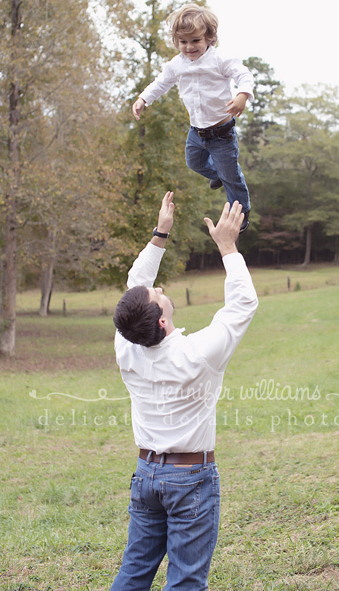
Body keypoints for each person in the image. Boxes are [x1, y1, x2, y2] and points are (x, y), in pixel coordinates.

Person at [111, 191, 258, 591]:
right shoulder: (196, 355)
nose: (157, 289)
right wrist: (228, 246)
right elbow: (243, 304)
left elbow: (135, 287)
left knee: (134, 572)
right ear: (160, 320)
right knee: (186, 581)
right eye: (157, 295)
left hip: (147, 475)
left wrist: (161, 233)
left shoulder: (127, 346)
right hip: (190, 478)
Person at [132, 4, 254, 233]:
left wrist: (242, 95)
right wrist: (143, 99)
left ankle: (242, 209)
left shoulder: (219, 60)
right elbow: (161, 83)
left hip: (221, 133)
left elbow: (243, 74)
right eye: (183, 42)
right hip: (196, 132)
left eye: (195, 40)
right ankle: (216, 174)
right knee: (194, 163)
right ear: (176, 42)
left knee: (231, 177)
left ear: (209, 38)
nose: (189, 47)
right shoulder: (176, 64)